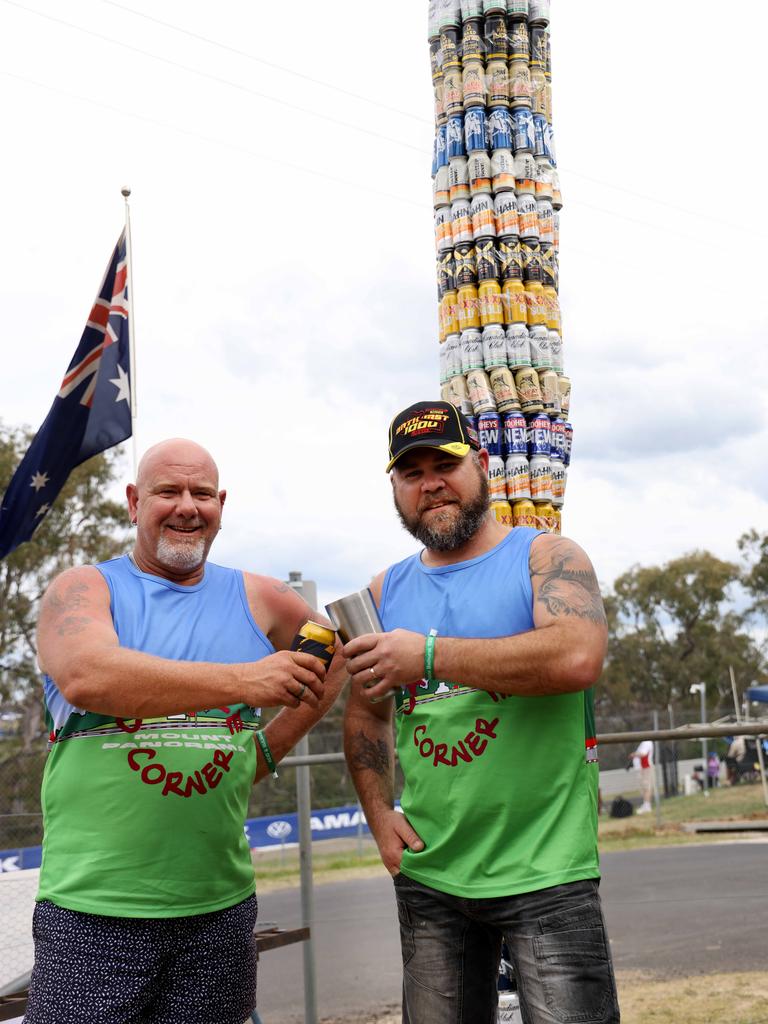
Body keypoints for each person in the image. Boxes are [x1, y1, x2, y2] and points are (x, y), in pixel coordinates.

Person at [27, 438, 345, 1024]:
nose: (187, 506)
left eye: (202, 493)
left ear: (221, 503)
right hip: (94, 913)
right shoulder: (84, 588)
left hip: (218, 909)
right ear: (133, 501)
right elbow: (86, 675)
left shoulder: (259, 597)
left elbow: (336, 650)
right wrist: (246, 681)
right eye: (168, 491)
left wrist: (263, 752)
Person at [342, 401, 620, 1024]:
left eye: (444, 462)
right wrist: (380, 816)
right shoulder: (385, 592)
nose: (430, 482)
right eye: (410, 472)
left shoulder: (546, 557)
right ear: (394, 488)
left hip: (545, 870)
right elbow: (366, 717)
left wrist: (430, 656)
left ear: (482, 463)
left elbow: (577, 656)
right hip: (432, 874)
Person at [630, 739, 654, 812]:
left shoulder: (647, 742)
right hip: (642, 768)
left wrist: (634, 754)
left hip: (645, 768)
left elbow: (643, 754)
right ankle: (646, 804)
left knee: (646, 787)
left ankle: (647, 806)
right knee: (644, 788)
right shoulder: (643, 743)